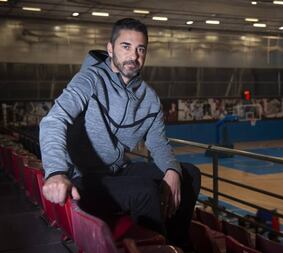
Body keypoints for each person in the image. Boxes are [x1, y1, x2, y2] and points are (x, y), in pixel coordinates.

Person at [39, 18, 200, 249]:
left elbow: (159, 144)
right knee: (145, 191)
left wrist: (172, 170)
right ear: (110, 48)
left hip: (117, 171)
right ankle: (155, 247)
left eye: (140, 49)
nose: (133, 56)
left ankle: (176, 244)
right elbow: (54, 120)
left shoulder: (149, 98)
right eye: (126, 46)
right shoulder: (89, 80)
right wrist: (55, 171)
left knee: (190, 174)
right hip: (84, 178)